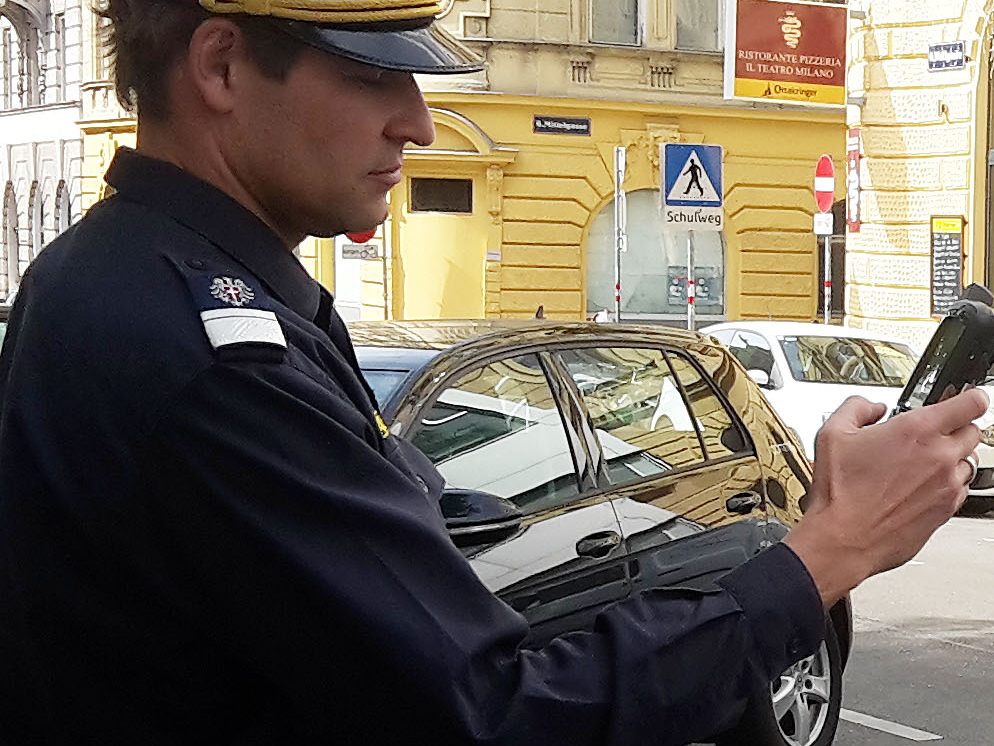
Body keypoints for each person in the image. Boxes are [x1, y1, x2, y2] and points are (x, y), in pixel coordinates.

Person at [0, 1, 985, 744]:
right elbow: (490, 711)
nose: (417, 122)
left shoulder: (108, 274)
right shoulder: (210, 357)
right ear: (220, 63)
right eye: (372, 76)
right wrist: (831, 551)